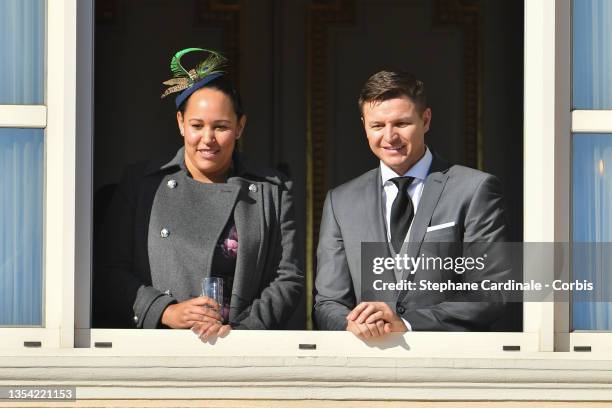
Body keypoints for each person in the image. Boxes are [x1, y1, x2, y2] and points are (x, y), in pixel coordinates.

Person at [93, 48, 303, 341]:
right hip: (158, 350)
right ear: (181, 123)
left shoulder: (273, 190)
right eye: (197, 125)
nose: (208, 138)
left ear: (240, 127)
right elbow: (109, 271)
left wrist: (243, 332)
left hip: (241, 350)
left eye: (221, 127)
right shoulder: (142, 185)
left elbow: (288, 278)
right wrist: (165, 311)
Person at [314, 70, 511, 337]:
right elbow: (328, 302)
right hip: (368, 361)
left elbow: (490, 292)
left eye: (401, 123)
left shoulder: (474, 189)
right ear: (364, 126)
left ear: (426, 120)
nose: (390, 136)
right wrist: (352, 324)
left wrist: (406, 324)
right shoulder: (341, 201)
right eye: (377, 126)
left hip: (447, 364)